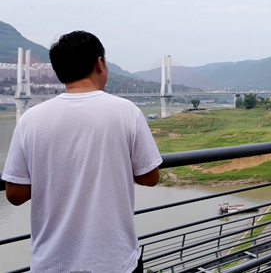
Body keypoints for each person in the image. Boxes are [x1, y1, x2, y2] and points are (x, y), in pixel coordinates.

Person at [2, 31, 162, 273]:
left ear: (59, 71)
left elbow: (15, 194)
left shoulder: (30, 119)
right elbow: (150, 177)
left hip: (51, 264)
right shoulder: (126, 111)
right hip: (114, 262)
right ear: (99, 63)